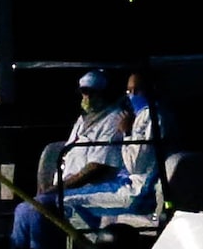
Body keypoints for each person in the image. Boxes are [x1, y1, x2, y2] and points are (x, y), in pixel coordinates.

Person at [39, 70, 156, 232]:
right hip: (64, 184)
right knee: (29, 210)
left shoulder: (123, 118)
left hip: (118, 187)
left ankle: (88, 248)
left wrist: (127, 134)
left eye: (89, 93)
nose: (85, 98)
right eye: (82, 93)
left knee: (52, 204)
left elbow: (107, 167)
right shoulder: (83, 119)